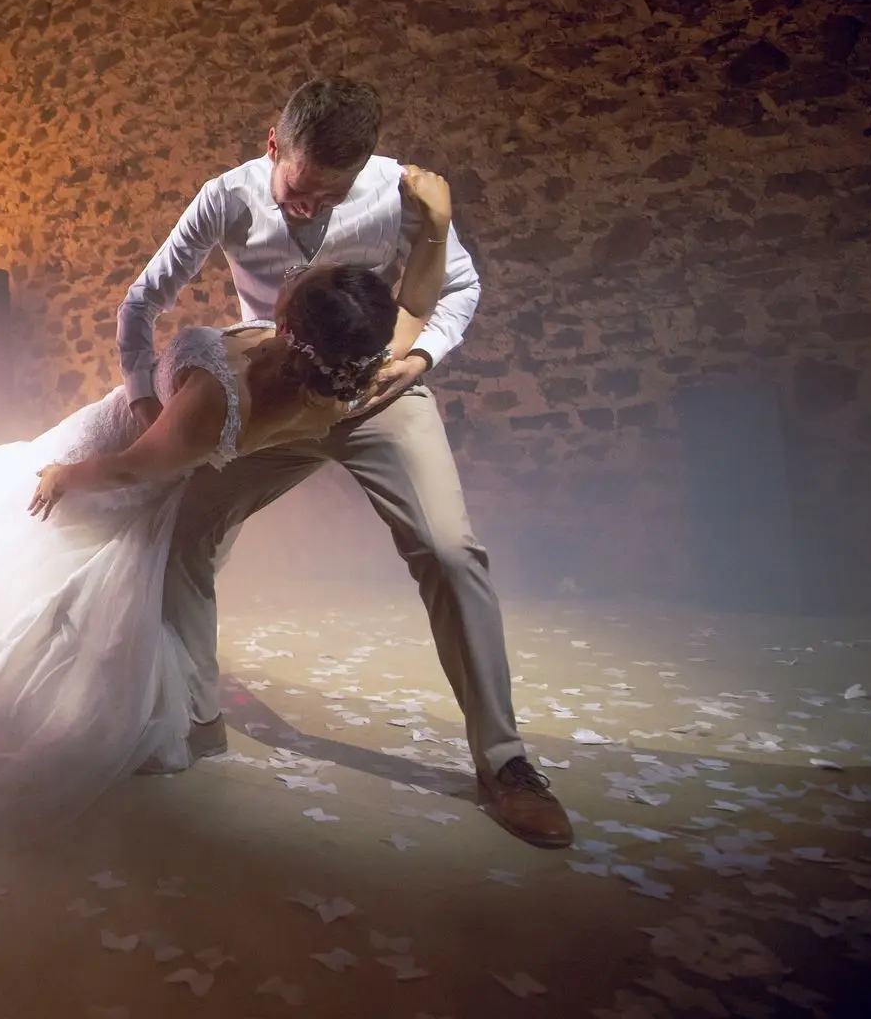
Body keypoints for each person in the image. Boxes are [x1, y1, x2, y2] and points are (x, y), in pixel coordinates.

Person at [117, 76, 571, 849]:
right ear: (273, 147)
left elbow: (458, 287)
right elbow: (141, 303)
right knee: (183, 533)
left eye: (330, 197)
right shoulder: (225, 199)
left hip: (375, 393)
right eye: (298, 192)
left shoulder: (398, 193)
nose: (310, 209)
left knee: (449, 550)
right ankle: (197, 717)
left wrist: (419, 358)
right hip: (273, 398)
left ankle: (506, 764)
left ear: (360, 171)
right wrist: (141, 398)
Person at [0, 164, 451, 823]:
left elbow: (131, 468)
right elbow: (415, 310)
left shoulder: (220, 396)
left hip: (111, 453)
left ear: (288, 323)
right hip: (154, 455)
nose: (298, 272)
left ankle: (44, 702)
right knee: (88, 585)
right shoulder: (355, 377)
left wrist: (64, 476)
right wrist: (436, 224)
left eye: (304, 281)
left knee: (50, 567)